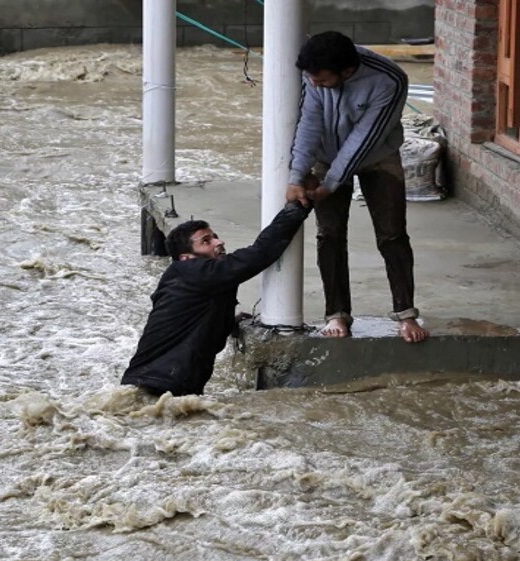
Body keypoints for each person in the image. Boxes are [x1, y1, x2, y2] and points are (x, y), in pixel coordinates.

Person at [286, 30, 430, 343]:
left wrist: (331, 184)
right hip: (325, 155)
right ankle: (337, 313)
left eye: (322, 81)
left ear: (347, 71)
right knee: (330, 234)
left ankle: (406, 314)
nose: (315, 85)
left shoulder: (389, 80)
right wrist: (297, 176)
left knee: (392, 234)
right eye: (310, 79)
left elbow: (362, 141)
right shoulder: (313, 74)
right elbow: (308, 123)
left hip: (378, 154)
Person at [122, 203, 312, 396]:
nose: (219, 242)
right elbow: (260, 253)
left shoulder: (188, 278)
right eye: (206, 241)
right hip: (159, 386)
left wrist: (228, 321)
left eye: (215, 236)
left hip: (158, 387)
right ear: (186, 257)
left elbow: (187, 322)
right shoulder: (197, 271)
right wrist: (297, 207)